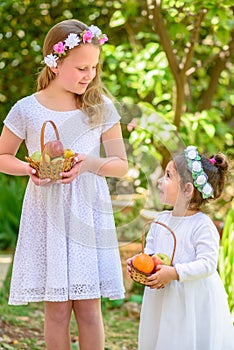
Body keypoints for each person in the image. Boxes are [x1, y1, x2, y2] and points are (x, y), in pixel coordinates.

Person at [0, 19, 128, 350]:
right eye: (81, 67)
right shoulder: (26, 109)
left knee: (89, 306)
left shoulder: (100, 108)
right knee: (56, 310)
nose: (89, 75)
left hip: (88, 214)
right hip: (47, 216)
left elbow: (121, 166)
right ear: (54, 63)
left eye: (94, 67)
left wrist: (90, 163)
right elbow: (3, 156)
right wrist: (30, 169)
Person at [127, 145, 234, 350]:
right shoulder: (160, 220)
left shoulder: (202, 225)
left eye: (168, 176)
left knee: (186, 339)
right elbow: (149, 252)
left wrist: (176, 272)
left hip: (191, 300)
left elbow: (208, 264)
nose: (160, 181)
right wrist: (141, 263)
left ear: (187, 189)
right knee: (163, 338)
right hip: (162, 296)